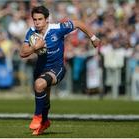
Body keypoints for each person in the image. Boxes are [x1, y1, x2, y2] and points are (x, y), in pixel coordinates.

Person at [20, 5, 101, 135]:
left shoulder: (57, 28)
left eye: (40, 19)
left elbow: (78, 23)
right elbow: (23, 53)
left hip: (57, 68)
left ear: (47, 19)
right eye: (34, 19)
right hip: (40, 69)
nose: (37, 22)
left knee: (39, 84)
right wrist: (35, 47)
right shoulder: (31, 32)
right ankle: (45, 122)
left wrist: (93, 38)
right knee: (44, 98)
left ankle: (37, 117)